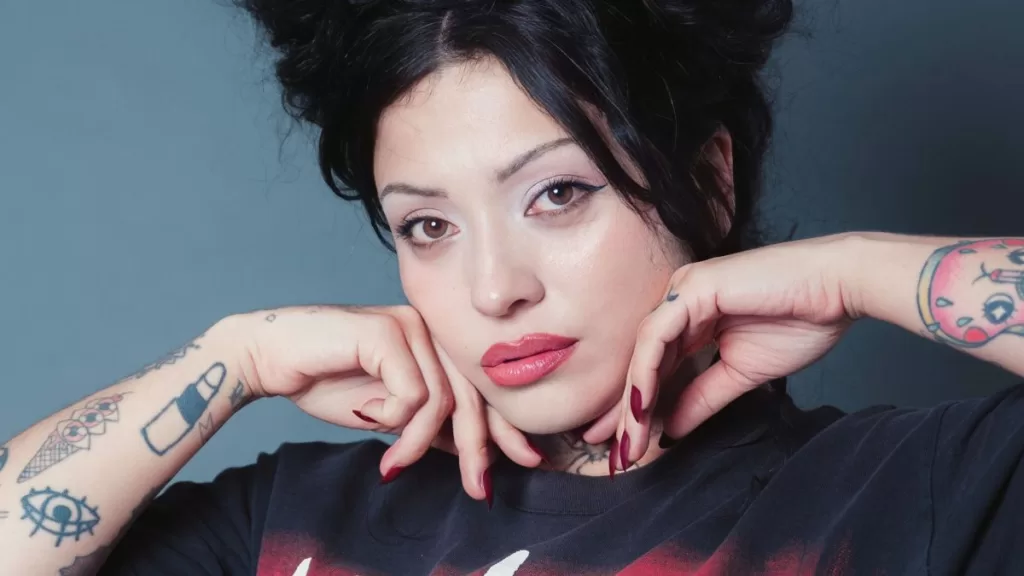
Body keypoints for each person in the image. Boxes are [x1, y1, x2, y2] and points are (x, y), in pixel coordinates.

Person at [1, 0, 1023, 573]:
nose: (494, 289)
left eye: (558, 195)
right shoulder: (296, 511)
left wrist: (857, 272)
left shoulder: (908, 495)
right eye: (428, 226)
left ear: (710, 182)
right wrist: (234, 359)